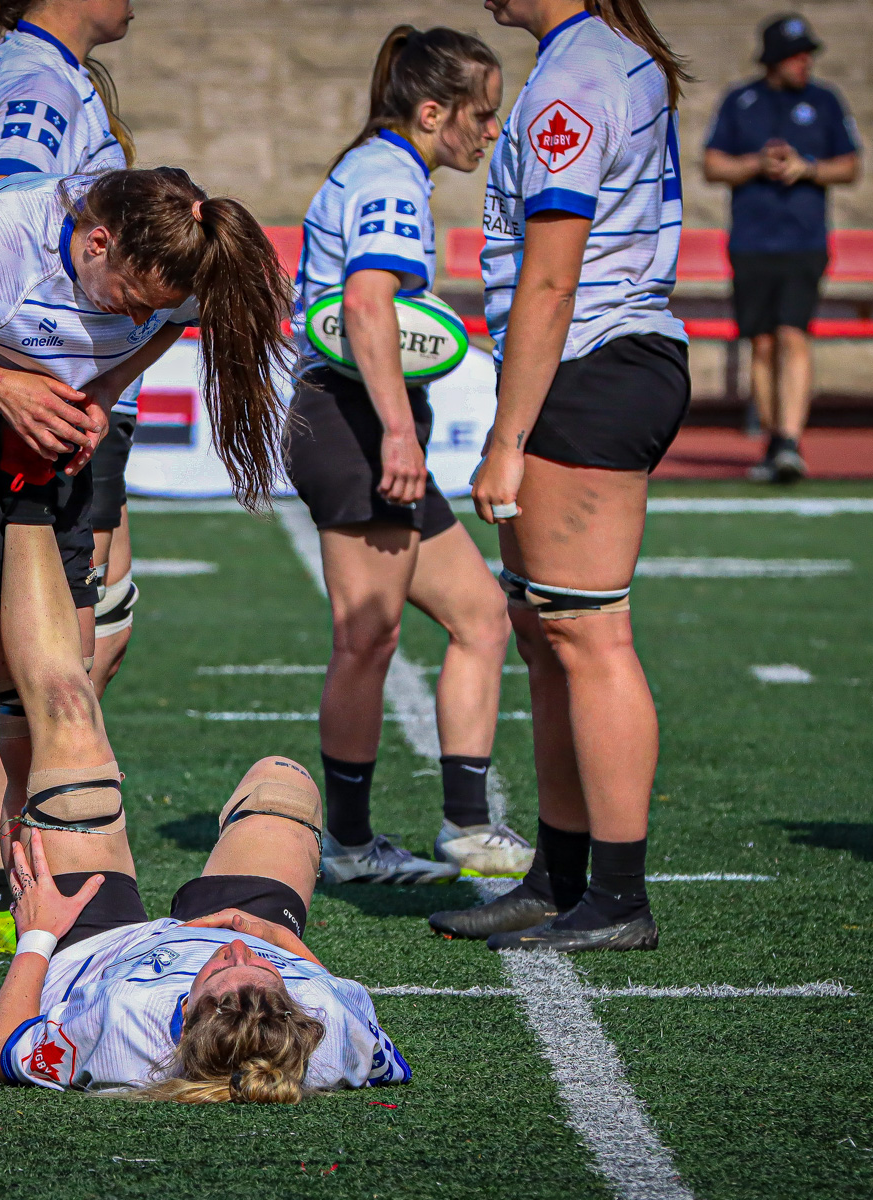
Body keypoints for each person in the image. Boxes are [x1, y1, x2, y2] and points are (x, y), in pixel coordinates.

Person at [0, 166, 290, 1075]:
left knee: (52, 721)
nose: (135, 314)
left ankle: (56, 961)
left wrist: (102, 392)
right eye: (127, 296)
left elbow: (167, 322)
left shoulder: (184, 261)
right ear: (95, 241)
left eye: (154, 307)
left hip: (45, 446)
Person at [0, 518, 410, 1099]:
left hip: (95, 949)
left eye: (222, 967)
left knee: (65, 708)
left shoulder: (125, 1028)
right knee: (281, 782)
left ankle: (24, 508)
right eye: (263, 970)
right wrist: (270, 939)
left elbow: (4, 1053)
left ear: (183, 1017)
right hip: (223, 939)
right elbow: (347, 1005)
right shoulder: (330, 1036)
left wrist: (36, 936)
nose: (235, 948)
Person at [428, 0, 690, 953]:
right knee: (546, 633)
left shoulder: (578, 75)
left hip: (590, 364)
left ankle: (617, 897)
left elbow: (551, 279)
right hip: (591, 363)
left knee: (588, 633)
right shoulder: (589, 57)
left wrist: (507, 436)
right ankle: (561, 878)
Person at [284, 26, 522, 888]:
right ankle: (349, 845)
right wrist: (397, 430)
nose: (490, 131)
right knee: (367, 637)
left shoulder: (384, 169)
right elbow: (366, 303)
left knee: (481, 617)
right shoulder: (389, 176)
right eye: (480, 113)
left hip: (357, 413)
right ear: (431, 112)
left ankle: (467, 826)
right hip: (352, 419)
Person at [0, 0, 139, 956]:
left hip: (77, 390)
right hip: (54, 395)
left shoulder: (51, 70)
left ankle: (31, 866)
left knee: (82, 646)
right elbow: (9, 220)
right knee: (42, 659)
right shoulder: (37, 76)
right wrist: (40, 387)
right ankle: (14, 878)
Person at [702, 13, 860, 484]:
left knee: (793, 334)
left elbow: (849, 166)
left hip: (803, 242)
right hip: (751, 242)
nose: (804, 62)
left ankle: (790, 441)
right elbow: (713, 164)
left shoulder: (825, 101)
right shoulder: (741, 101)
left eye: (807, 54)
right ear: (773, 58)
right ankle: (773, 442)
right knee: (763, 342)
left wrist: (806, 169)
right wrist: (756, 164)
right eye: (795, 55)